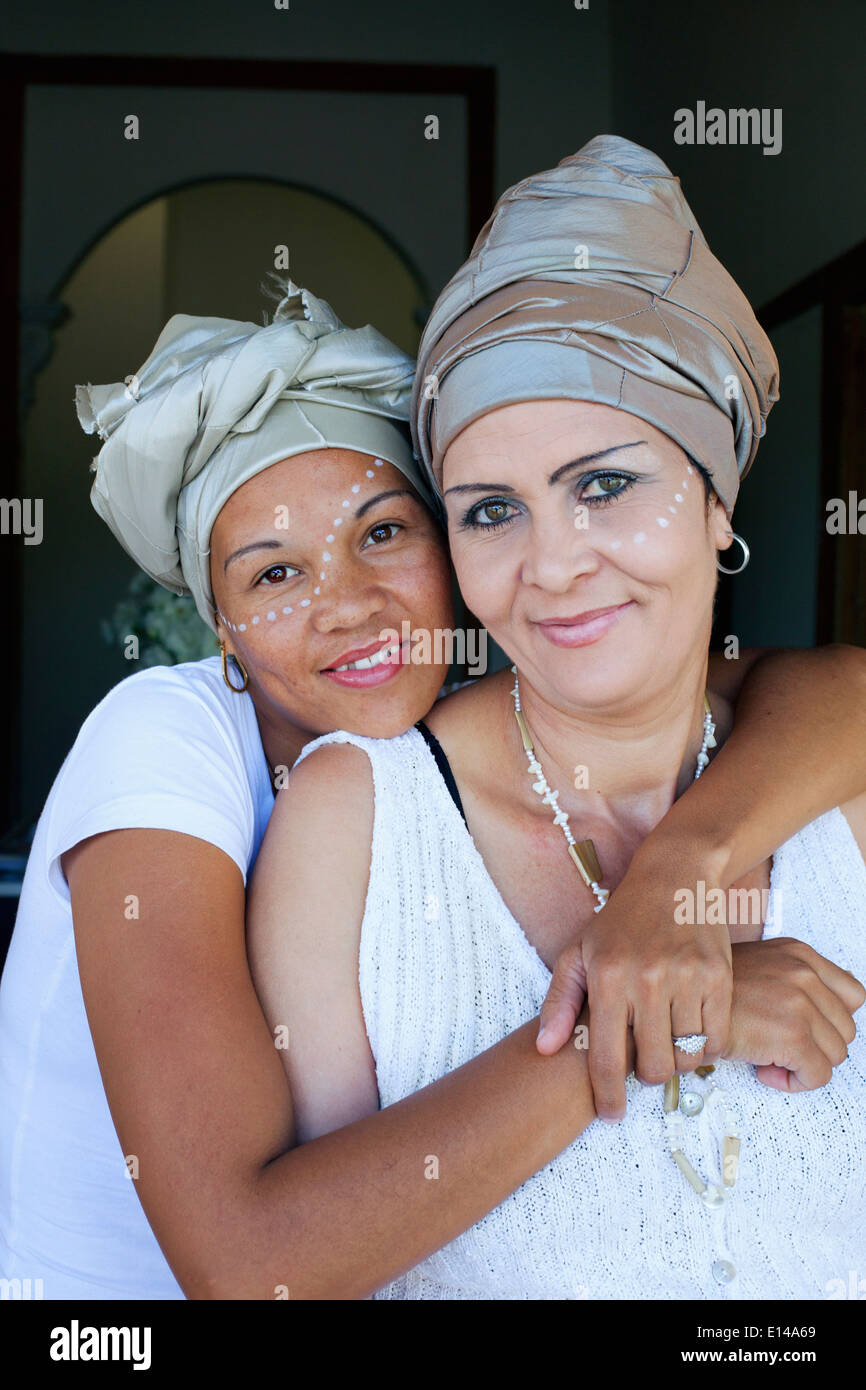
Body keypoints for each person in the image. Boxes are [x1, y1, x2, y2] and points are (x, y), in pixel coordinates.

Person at [0, 278, 862, 1302]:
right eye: (274, 575)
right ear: (220, 628)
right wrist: (660, 1014)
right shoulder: (164, 734)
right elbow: (247, 1268)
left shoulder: (451, 710)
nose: (349, 606)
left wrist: (672, 878)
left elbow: (824, 686)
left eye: (380, 533)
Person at [247, 137, 866, 1299]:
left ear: (716, 495)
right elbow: (298, 1269)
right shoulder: (361, 816)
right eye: (491, 510)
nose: (552, 565)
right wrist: (685, 1015)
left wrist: (674, 879)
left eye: (603, 484)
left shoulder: (834, 782)